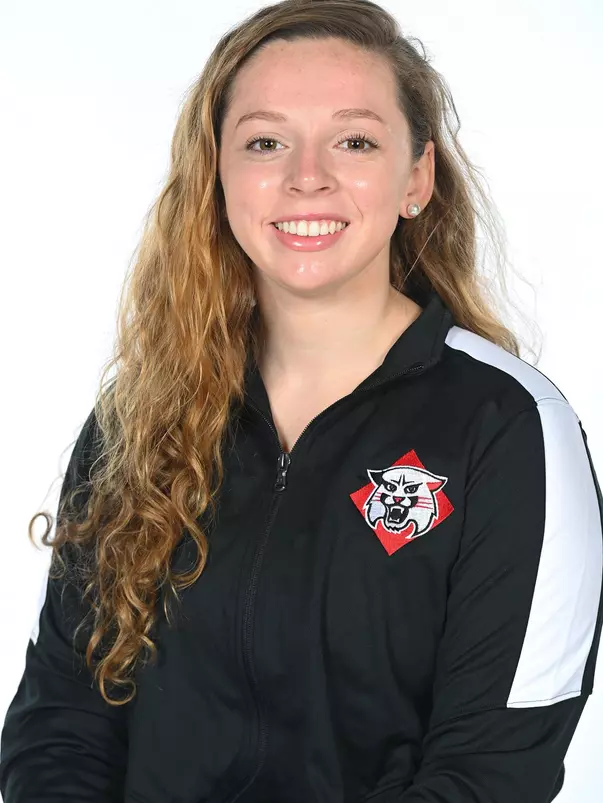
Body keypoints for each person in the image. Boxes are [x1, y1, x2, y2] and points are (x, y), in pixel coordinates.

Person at [1, 0, 602, 801]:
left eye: (353, 140)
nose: (305, 175)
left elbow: (492, 770)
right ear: (218, 176)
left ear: (416, 176)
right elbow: (61, 722)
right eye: (264, 141)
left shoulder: (511, 429)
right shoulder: (142, 414)